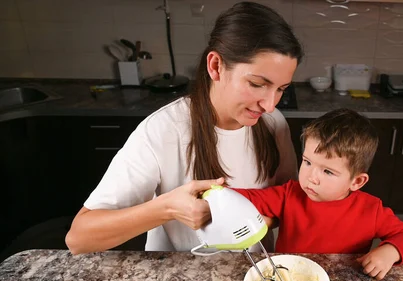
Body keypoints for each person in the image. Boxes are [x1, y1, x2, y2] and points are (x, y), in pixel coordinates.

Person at [65, 2, 303, 254]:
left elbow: (291, 202)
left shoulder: (273, 122)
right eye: (257, 84)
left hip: (254, 275)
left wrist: (254, 222)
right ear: (215, 66)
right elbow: (79, 239)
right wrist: (167, 209)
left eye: (281, 89)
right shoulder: (162, 131)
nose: (269, 105)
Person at [233, 109, 403, 280]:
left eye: (328, 172)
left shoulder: (371, 209)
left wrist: (390, 251)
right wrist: (214, 193)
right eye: (307, 162)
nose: (311, 178)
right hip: (288, 279)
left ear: (356, 182)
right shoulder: (289, 193)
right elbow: (250, 198)